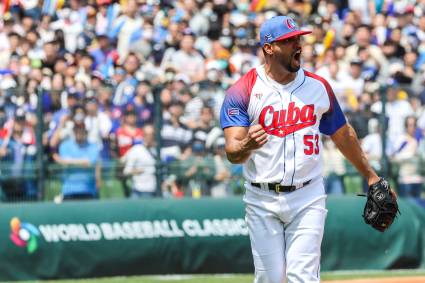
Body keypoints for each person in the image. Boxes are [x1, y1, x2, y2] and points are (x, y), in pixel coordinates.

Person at [220, 15, 391, 283]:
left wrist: (371, 175)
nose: (298, 45)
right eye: (289, 41)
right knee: (270, 279)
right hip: (261, 198)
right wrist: (246, 145)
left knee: (304, 277)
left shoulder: (317, 86)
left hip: (307, 196)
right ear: (269, 48)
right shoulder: (243, 90)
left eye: (299, 39)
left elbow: (342, 133)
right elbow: (232, 152)